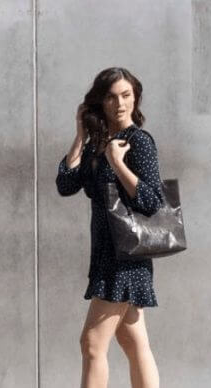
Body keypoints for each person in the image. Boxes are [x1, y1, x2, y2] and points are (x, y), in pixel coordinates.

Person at [57, 67, 164, 388]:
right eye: (111, 97)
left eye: (127, 95)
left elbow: (152, 200)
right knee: (134, 345)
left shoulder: (138, 142)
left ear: (135, 98)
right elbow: (66, 184)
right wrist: (80, 135)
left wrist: (118, 164)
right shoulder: (97, 144)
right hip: (106, 254)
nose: (120, 103)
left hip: (125, 259)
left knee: (91, 343)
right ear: (100, 102)